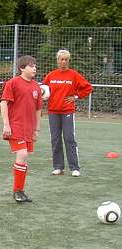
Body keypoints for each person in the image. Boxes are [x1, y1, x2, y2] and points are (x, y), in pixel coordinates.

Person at [41, 49, 93, 177]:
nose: (63, 62)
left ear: (68, 61)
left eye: (66, 59)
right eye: (61, 59)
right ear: (57, 60)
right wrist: (42, 98)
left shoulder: (73, 75)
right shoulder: (51, 75)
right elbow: (43, 90)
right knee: (55, 139)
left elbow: (88, 88)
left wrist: (76, 97)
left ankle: (74, 168)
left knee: (69, 138)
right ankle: (58, 167)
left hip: (67, 111)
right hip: (53, 112)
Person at [0, 55, 43, 203]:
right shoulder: (13, 83)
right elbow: (3, 103)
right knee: (22, 154)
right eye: (31, 66)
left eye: (35, 66)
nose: (34, 68)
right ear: (22, 68)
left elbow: (38, 109)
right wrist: (6, 124)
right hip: (15, 127)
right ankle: (17, 191)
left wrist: (37, 129)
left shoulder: (36, 86)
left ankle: (20, 191)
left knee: (24, 159)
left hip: (29, 128)